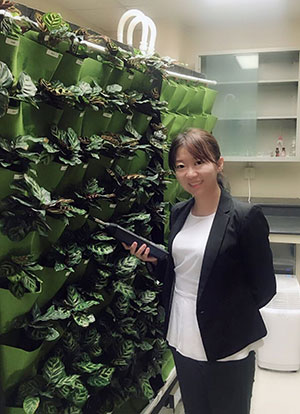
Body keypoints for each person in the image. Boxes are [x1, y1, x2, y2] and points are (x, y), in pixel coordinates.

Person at [123, 128, 276, 414]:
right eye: (181, 166)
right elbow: (184, 272)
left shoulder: (244, 217)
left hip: (227, 343)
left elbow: (265, 288)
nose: (190, 173)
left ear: (219, 164)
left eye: (199, 162)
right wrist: (155, 262)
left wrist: (224, 314)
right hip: (182, 335)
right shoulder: (179, 212)